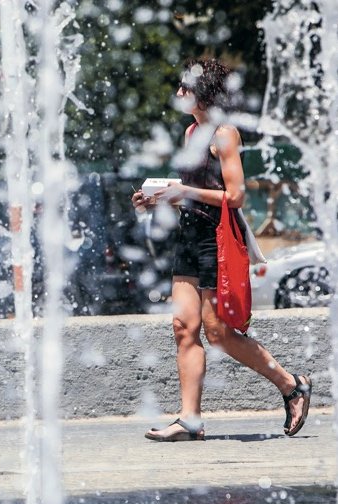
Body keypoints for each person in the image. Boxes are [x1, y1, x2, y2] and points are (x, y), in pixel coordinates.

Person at [132, 57, 312, 442]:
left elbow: (235, 195)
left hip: (217, 240)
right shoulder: (191, 132)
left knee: (219, 333)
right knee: (184, 327)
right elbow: (194, 198)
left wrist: (186, 191)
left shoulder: (224, 134)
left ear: (204, 93)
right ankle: (190, 421)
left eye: (185, 88)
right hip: (190, 235)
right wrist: (161, 199)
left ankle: (291, 385)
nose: (179, 93)